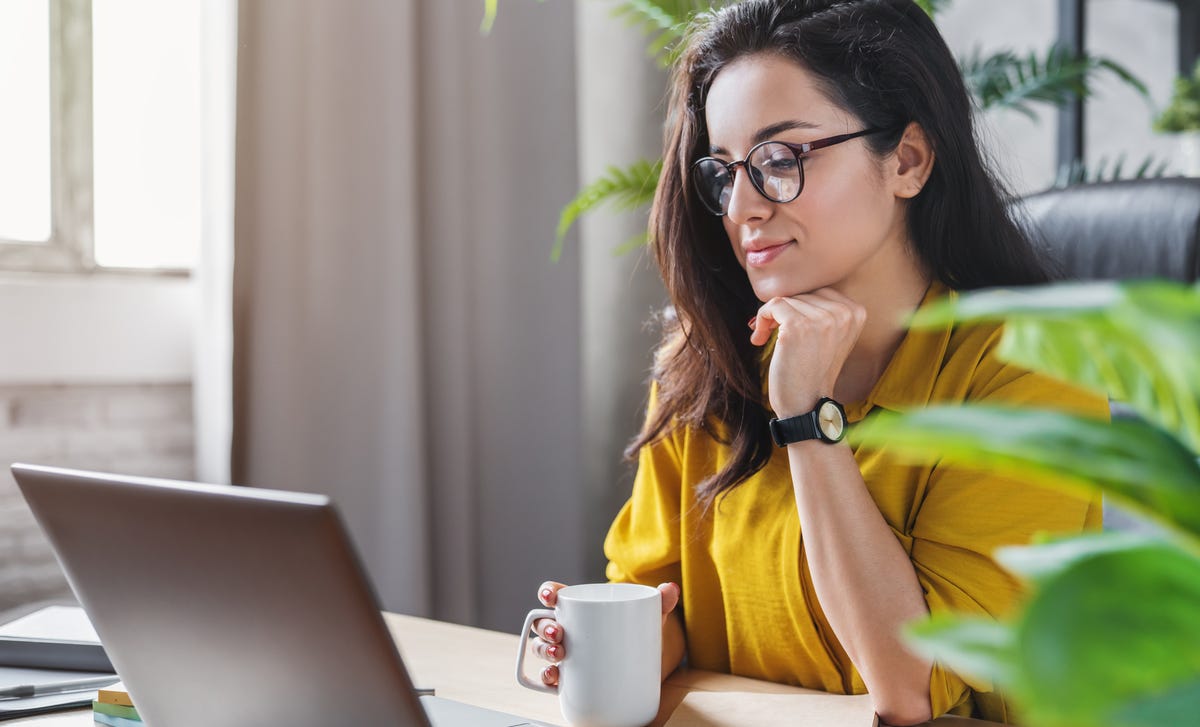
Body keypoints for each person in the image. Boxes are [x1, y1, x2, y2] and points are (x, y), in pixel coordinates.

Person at [529, 1, 1105, 724]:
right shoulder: (700, 366)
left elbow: (911, 688)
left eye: (780, 159)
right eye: (725, 170)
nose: (742, 205)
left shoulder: (1032, 381)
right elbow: (659, 599)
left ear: (908, 160)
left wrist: (805, 415)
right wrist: (613, 644)